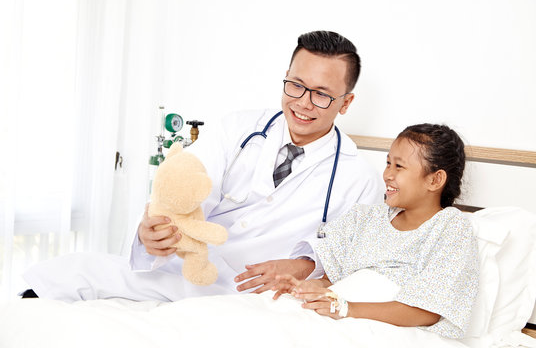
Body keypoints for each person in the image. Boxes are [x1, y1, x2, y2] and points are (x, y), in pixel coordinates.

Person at [22, 30, 383, 302]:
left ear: (346, 103)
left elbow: (346, 253)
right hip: (190, 272)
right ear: (285, 77)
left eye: (321, 94)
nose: (303, 103)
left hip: (259, 297)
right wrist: (153, 233)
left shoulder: (359, 177)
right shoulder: (237, 128)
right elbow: (183, 192)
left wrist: (302, 267)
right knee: (70, 272)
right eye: (296, 85)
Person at [272, 123, 479, 339]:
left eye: (399, 166)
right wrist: (306, 288)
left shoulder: (450, 226)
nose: (388, 174)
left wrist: (347, 309)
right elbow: (331, 283)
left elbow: (427, 311)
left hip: (381, 328)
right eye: (388, 163)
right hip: (337, 313)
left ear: (434, 180)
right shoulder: (365, 218)